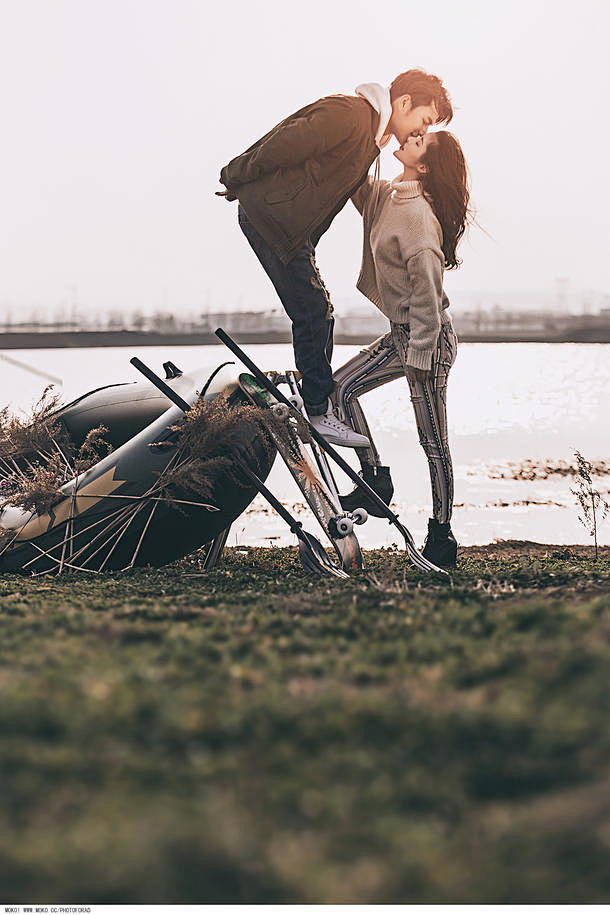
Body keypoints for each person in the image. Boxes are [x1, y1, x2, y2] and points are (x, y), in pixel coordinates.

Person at [217, 70, 453, 446]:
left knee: (317, 310)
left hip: (287, 226)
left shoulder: (369, 138)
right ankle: (317, 411)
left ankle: (316, 406)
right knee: (313, 312)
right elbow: (287, 138)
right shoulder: (350, 115)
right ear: (404, 103)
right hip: (273, 219)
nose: (417, 133)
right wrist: (237, 174)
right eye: (423, 121)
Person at [332, 130, 470, 567]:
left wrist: (421, 357)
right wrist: (371, 133)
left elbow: (429, 296)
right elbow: (356, 183)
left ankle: (442, 535)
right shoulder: (390, 196)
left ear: (424, 165)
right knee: (338, 390)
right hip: (400, 334)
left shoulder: (419, 221)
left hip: (428, 341)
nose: (412, 136)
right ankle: (374, 479)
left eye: (419, 140)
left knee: (433, 443)